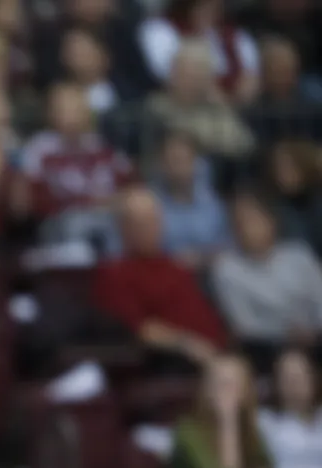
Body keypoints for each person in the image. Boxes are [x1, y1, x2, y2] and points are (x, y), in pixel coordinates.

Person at [94, 187, 229, 374]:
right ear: (123, 227)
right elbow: (141, 329)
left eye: (154, 220)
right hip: (175, 361)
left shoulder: (175, 265)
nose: (150, 228)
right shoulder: (115, 273)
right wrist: (188, 345)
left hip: (217, 353)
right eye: (140, 223)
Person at [210, 191, 322, 364]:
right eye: (239, 223)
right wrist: (287, 334)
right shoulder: (227, 269)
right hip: (269, 350)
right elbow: (244, 326)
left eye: (252, 219)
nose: (246, 228)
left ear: (271, 221)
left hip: (316, 339)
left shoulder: (300, 255)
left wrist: (314, 331)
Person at [17, 82, 133, 248]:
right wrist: (89, 202)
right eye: (64, 110)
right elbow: (32, 199)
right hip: (60, 223)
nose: (71, 116)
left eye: (77, 109)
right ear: (51, 114)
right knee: (76, 224)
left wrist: (116, 201)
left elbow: (129, 187)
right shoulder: (39, 149)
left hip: (106, 218)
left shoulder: (103, 146)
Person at [139, 0, 259, 101]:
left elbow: (251, 76)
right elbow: (168, 77)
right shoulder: (161, 30)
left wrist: (240, 94)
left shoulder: (233, 35)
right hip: (181, 107)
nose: (209, 10)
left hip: (230, 111)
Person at [148, 131, 230, 268]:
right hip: (165, 272)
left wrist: (205, 258)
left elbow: (226, 244)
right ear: (161, 164)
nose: (179, 168)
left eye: (185, 160)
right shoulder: (149, 204)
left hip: (209, 271)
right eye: (173, 160)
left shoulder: (212, 202)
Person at [259, 349, 322, 468]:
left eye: (300, 376)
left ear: (313, 378)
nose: (294, 383)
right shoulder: (264, 422)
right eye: (287, 378)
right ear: (276, 382)